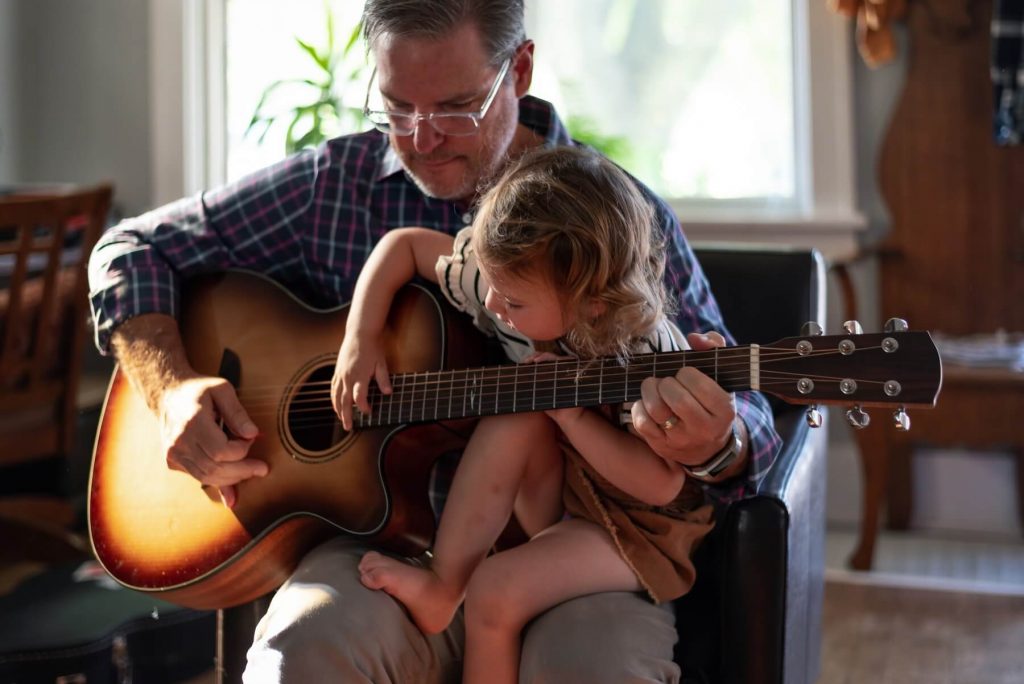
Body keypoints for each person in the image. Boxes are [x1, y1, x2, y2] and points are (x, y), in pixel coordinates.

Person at [86, 1, 781, 681]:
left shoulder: (611, 224)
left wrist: (715, 442)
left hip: (586, 544)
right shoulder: (335, 186)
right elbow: (132, 246)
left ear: (520, 70)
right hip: (385, 548)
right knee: (296, 657)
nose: (420, 138)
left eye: (455, 107)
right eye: (396, 107)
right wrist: (169, 387)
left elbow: (741, 412)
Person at [333, 146, 718, 684]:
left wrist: (574, 418)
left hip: (640, 526)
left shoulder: (648, 350)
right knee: (516, 405)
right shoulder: (508, 282)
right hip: (562, 492)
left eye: (512, 302)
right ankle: (444, 585)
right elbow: (404, 247)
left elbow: (661, 486)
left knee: (494, 589)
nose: (492, 305)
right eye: (491, 282)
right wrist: (361, 337)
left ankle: (467, 589)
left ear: (593, 304)